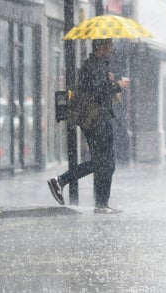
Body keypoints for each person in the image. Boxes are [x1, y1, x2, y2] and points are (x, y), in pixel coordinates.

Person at [47, 39, 130, 214]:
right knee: (104, 163)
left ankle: (97, 201)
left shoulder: (94, 65)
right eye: (109, 46)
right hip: (97, 120)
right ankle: (66, 184)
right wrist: (117, 86)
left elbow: (95, 89)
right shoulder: (94, 66)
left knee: (104, 163)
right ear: (100, 48)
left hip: (95, 119)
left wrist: (108, 81)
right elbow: (99, 94)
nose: (112, 49)